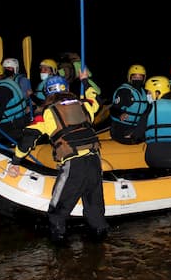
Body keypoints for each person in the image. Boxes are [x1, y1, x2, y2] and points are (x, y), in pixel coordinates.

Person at [6, 75, 108, 245]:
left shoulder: (46, 113)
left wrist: (16, 161)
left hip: (73, 165)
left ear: (48, 93)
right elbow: (96, 98)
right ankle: (99, 247)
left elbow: (28, 138)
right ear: (67, 88)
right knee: (95, 211)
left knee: (57, 212)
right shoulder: (85, 105)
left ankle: (59, 254)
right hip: (95, 161)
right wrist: (84, 80)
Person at [136, 75, 171, 170]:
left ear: (157, 93)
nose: (147, 94)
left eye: (149, 92)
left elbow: (138, 134)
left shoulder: (150, 108)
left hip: (154, 158)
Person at [109, 64, 150, 144]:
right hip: (121, 127)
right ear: (130, 78)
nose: (137, 79)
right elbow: (113, 109)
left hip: (137, 127)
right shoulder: (124, 92)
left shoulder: (144, 92)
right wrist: (120, 114)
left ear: (144, 78)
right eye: (135, 77)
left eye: (140, 77)